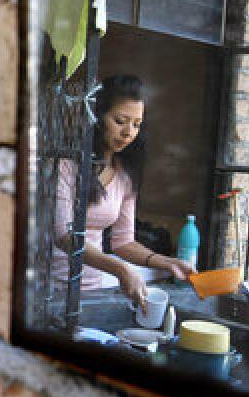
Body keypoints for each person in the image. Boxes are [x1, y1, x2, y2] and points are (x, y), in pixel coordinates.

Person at [50, 74, 195, 309]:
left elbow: (122, 241)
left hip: (93, 292)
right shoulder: (64, 167)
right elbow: (64, 236)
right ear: (96, 117)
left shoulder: (125, 176)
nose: (128, 132)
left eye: (136, 124)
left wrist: (167, 263)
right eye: (120, 120)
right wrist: (119, 268)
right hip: (49, 289)